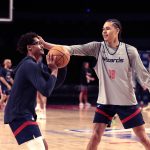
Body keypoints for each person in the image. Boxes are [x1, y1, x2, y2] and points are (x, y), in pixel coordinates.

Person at [39, 19, 150, 150]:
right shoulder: (97, 47)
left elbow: (144, 75)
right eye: (103, 29)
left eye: (108, 28)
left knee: (142, 137)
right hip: (105, 102)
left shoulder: (130, 51)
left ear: (117, 31)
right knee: (95, 136)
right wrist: (45, 45)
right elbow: (69, 49)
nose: (104, 31)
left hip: (126, 102)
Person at [4, 32, 67, 150]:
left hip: (23, 113)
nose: (42, 46)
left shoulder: (34, 65)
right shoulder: (29, 65)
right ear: (29, 47)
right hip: (19, 114)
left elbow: (53, 84)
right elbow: (46, 91)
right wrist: (54, 71)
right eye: (38, 43)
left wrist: (60, 66)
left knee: (44, 146)